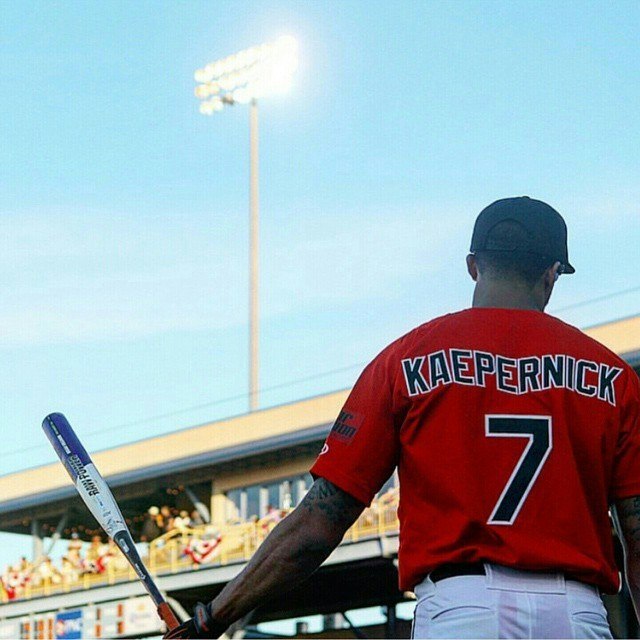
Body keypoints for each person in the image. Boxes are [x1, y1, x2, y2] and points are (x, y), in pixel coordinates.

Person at [165, 197, 640, 639]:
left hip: (461, 607)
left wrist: (211, 619)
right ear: (552, 273)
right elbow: (637, 539)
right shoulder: (614, 375)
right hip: (577, 612)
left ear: (473, 266)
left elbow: (319, 522)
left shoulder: (406, 359)